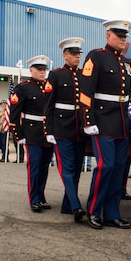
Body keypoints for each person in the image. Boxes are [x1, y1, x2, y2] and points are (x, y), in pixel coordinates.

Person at [79, 20, 131, 230]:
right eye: (119, 35)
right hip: (102, 120)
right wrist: (88, 120)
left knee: (119, 169)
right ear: (108, 35)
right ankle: (94, 210)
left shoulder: (127, 64)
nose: (122, 39)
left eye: (125, 36)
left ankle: (112, 214)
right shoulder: (96, 56)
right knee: (106, 166)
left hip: (121, 121)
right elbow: (85, 92)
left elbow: (126, 95)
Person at [45, 37, 88, 222]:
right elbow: (47, 105)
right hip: (61, 127)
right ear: (64, 55)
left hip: (79, 127)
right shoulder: (55, 75)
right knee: (67, 168)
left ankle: (66, 204)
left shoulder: (83, 75)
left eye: (79, 53)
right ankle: (76, 205)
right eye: (73, 53)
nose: (77, 56)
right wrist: (48, 131)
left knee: (77, 168)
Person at [9, 55, 54, 213]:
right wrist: (18, 135)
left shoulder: (49, 86)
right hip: (32, 132)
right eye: (39, 69)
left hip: (47, 133)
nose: (42, 72)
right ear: (31, 70)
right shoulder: (23, 87)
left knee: (44, 166)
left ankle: (41, 197)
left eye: (44, 69)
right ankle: (34, 198)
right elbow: (14, 113)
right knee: (34, 165)